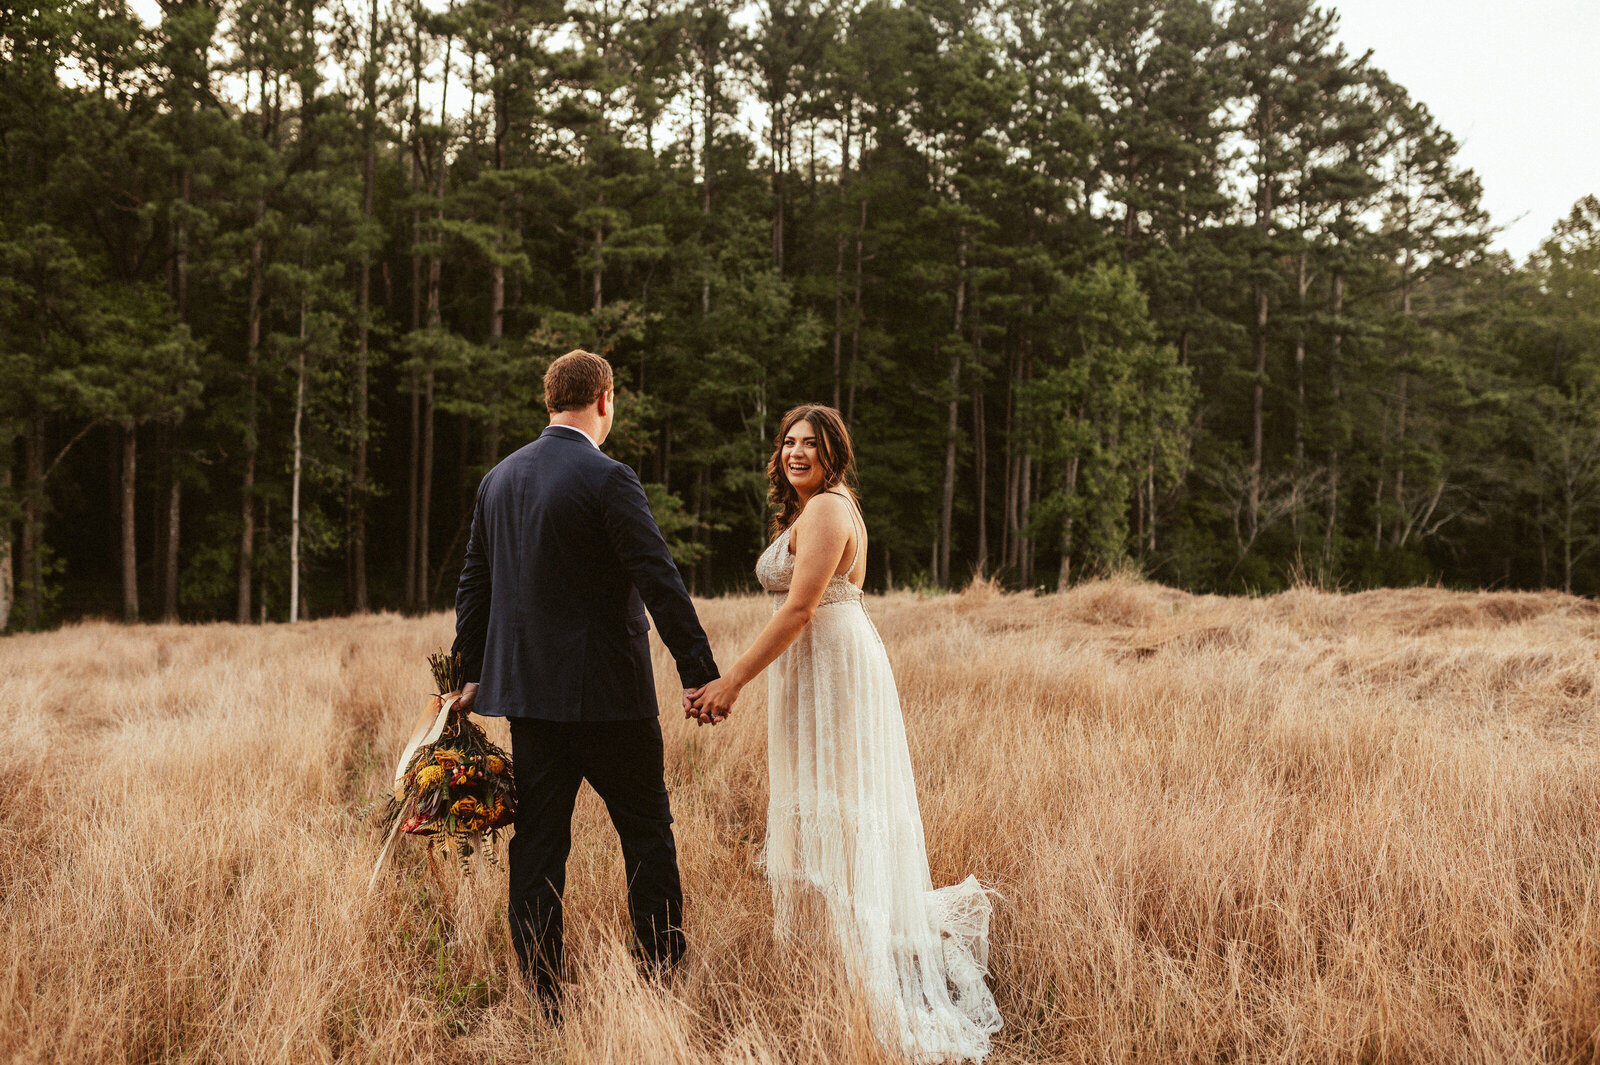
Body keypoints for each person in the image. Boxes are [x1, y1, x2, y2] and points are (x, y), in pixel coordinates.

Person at [689, 404, 1002, 1062]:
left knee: (843, 809)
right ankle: (829, 967)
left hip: (833, 668)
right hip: (814, 671)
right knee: (823, 805)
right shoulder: (813, 510)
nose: (796, 452)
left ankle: (865, 981)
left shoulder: (830, 509)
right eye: (788, 442)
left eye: (811, 443)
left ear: (836, 453)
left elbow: (801, 607)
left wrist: (732, 680)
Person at [451, 349, 720, 1015]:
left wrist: (467, 674)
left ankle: (544, 998)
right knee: (647, 834)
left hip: (531, 702)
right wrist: (700, 672)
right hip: (610, 700)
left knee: (538, 848)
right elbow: (659, 576)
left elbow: (474, 587)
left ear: (550, 401)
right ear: (605, 399)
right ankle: (659, 983)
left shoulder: (498, 479)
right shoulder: (609, 477)